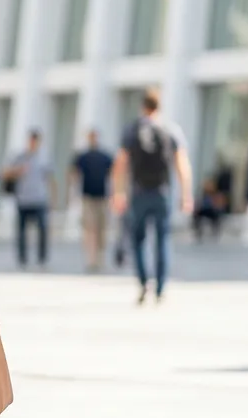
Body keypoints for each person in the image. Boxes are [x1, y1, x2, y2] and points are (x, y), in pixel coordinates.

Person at [112, 90, 193, 304]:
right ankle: (161, 287)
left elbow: (120, 164)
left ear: (143, 106)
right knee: (162, 238)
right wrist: (186, 194)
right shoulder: (170, 129)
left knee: (138, 239)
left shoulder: (132, 129)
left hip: (138, 192)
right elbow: (182, 164)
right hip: (162, 192)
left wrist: (118, 192)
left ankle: (142, 282)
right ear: (159, 106)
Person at [2, 131, 55, 268]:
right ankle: (22, 258)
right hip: (23, 199)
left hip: (40, 199)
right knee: (22, 230)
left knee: (43, 228)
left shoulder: (44, 158)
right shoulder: (20, 156)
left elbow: (50, 179)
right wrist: (17, 171)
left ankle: (42, 258)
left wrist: (53, 198)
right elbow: (5, 173)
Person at [71, 130, 113, 271]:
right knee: (89, 228)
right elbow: (74, 173)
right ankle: (91, 259)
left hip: (102, 197)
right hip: (87, 197)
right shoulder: (82, 156)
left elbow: (112, 174)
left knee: (101, 229)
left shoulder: (105, 156)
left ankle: (99, 258)